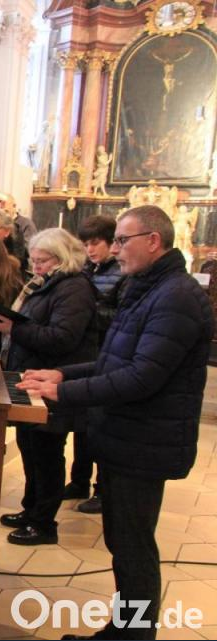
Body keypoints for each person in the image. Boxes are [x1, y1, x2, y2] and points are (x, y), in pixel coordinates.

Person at [20, 206, 213, 640]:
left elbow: (143, 376)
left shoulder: (175, 296)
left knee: (133, 546)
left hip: (146, 438)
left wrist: (63, 393)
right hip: (127, 434)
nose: (114, 250)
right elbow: (113, 360)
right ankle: (123, 632)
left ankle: (133, 636)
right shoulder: (147, 288)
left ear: (154, 241)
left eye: (124, 241)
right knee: (124, 543)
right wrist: (64, 374)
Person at [0, 228, 97, 547]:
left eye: (42, 260)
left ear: (61, 259)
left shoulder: (75, 288)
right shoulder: (47, 283)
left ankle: (44, 523)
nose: (34, 266)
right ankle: (30, 510)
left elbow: (63, 338)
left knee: (47, 453)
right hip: (31, 378)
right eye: (32, 260)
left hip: (55, 382)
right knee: (30, 447)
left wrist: (15, 329)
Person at [64, 215, 127, 515]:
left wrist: (88, 312)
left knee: (99, 425)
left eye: (96, 243)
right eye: (85, 244)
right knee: (81, 424)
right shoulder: (86, 270)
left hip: (107, 353)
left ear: (112, 243)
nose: (90, 250)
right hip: (87, 354)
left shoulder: (122, 273)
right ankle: (78, 480)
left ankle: (101, 490)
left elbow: (120, 318)